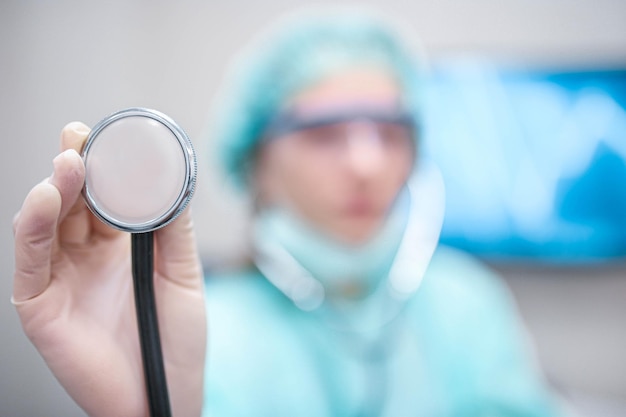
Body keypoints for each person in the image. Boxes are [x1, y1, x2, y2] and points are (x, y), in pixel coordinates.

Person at [12, 8, 565, 417]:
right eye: (323, 134)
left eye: (391, 131)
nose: (369, 163)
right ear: (255, 164)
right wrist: (157, 403)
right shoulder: (198, 334)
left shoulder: (470, 304)